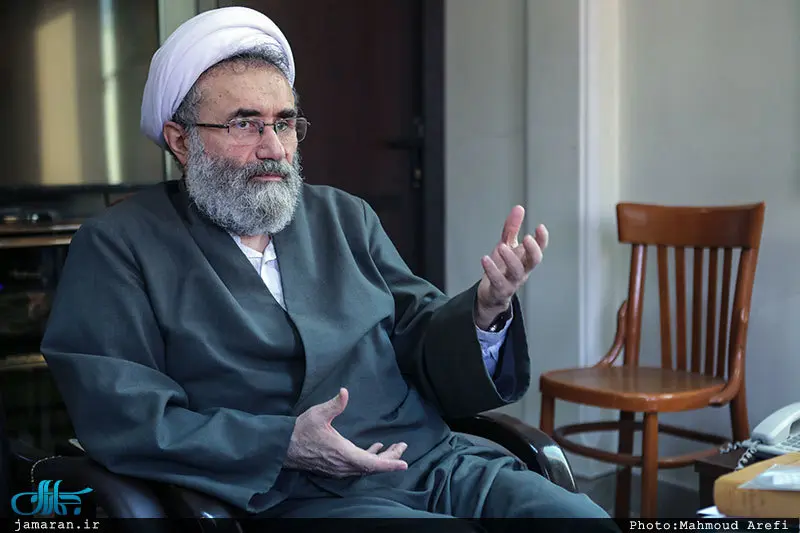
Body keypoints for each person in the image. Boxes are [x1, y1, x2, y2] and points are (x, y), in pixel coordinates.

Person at [40, 6, 611, 526]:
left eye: (284, 122)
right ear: (181, 141)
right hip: (290, 496)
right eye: (244, 123)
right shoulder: (119, 246)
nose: (274, 147)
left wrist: (485, 312)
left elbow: (419, 335)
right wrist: (284, 444)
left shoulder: (343, 217)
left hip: (434, 464)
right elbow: (125, 415)